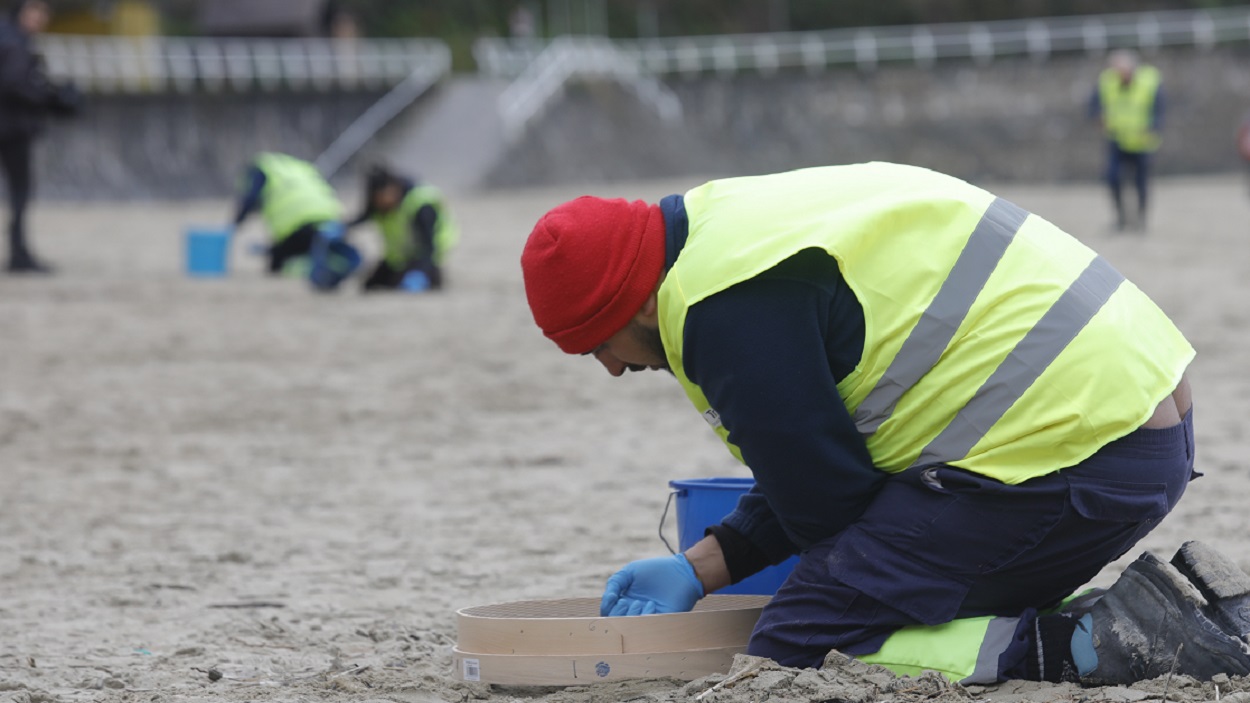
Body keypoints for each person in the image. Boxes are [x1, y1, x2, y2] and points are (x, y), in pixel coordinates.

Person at [520, 162, 1250, 686]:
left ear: (631, 304)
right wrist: (699, 567)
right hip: (1137, 420)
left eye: (596, 346)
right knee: (881, 578)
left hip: (1081, 456)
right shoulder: (725, 227)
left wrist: (749, 571)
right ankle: (1181, 604)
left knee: (801, 636)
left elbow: (830, 512)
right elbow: (826, 464)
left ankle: (1088, 643)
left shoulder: (720, 311)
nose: (611, 369)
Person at [0, 0, 80, 274]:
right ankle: (19, 254)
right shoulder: (13, 42)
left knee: (19, 193)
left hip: (12, 127)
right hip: (11, 130)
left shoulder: (10, 37)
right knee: (20, 193)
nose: (41, 18)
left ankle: (19, 252)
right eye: (35, 12)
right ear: (21, 12)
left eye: (44, 13)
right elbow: (14, 84)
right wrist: (51, 98)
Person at [231, 151, 358, 290]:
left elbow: (250, 199)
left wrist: (235, 224)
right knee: (324, 247)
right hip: (332, 220)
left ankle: (305, 266)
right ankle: (325, 258)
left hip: (298, 226)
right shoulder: (300, 167)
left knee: (276, 263)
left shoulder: (261, 170)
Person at [348, 165, 457, 293]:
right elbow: (363, 217)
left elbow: (428, 246)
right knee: (371, 285)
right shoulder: (381, 205)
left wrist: (420, 272)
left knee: (410, 285)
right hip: (398, 259)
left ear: (393, 188)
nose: (380, 203)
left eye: (381, 197)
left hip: (426, 256)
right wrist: (342, 227)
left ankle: (428, 277)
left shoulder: (421, 204)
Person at [1089, 49, 1163, 232]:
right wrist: (1097, 117)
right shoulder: (1107, 81)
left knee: (1141, 182)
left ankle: (1141, 220)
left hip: (1142, 141)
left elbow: (1160, 108)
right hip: (1117, 139)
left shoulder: (1150, 81)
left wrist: (1153, 127)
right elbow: (1093, 104)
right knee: (1112, 178)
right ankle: (1121, 219)